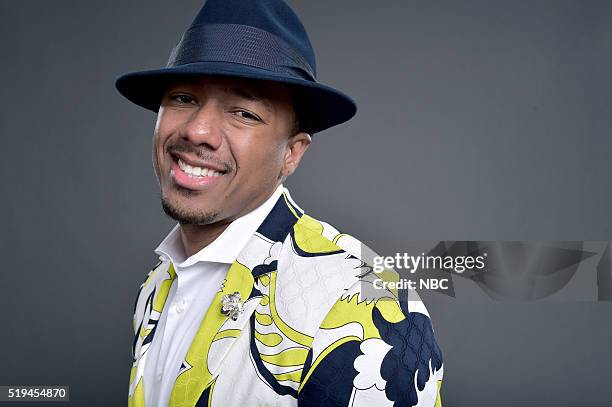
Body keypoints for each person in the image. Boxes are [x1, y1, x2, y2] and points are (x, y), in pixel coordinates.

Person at [116, 0, 444, 406]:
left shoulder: (369, 305)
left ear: (292, 152)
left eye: (243, 113)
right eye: (183, 98)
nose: (198, 129)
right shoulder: (158, 283)